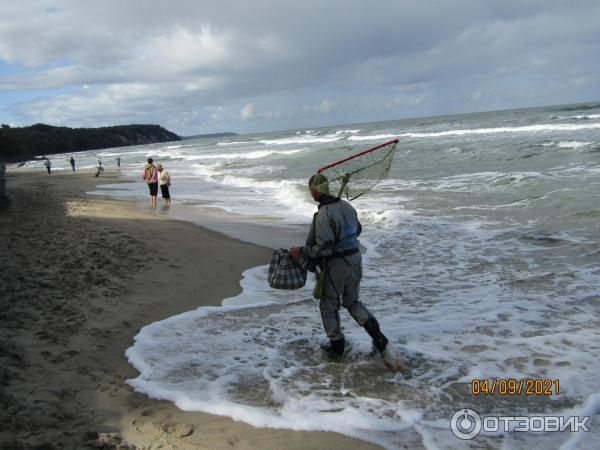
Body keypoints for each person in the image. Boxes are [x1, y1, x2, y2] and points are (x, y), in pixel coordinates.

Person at [289, 174, 406, 371]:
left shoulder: (324, 214)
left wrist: (300, 251)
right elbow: (357, 230)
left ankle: (336, 346)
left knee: (328, 304)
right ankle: (381, 342)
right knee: (353, 302)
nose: (311, 194)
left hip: (337, 264)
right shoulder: (347, 206)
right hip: (355, 258)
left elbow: (324, 248)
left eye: (311, 190)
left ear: (316, 190)